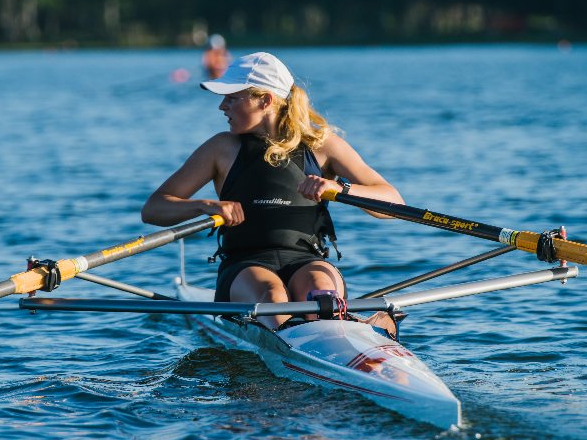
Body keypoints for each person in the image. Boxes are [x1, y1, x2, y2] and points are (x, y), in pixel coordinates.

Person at [142, 52, 404, 329]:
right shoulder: (221, 148)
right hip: (244, 265)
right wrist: (204, 205)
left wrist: (338, 187)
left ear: (265, 100)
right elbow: (153, 208)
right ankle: (322, 332)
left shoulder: (323, 146)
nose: (222, 106)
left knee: (319, 289)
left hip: (307, 260)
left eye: (232, 98)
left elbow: (394, 203)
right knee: (272, 296)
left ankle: (330, 329)